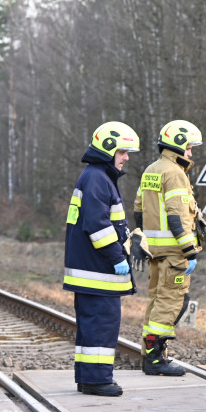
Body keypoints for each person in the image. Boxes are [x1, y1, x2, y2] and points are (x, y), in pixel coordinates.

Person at [63, 121, 141, 397]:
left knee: (91, 329)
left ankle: (89, 379)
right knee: (101, 327)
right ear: (109, 150)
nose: (126, 157)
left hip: (91, 271)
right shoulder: (97, 178)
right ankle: (97, 380)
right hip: (98, 272)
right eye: (122, 152)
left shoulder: (96, 176)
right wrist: (118, 257)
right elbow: (98, 226)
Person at [132, 119, 204, 376]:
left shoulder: (151, 169)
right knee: (171, 302)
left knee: (155, 300)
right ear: (178, 145)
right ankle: (155, 359)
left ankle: (147, 354)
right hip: (174, 253)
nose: (191, 153)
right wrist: (190, 250)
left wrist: (146, 241)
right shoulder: (175, 173)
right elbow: (176, 217)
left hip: (155, 252)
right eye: (189, 147)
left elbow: (139, 210)